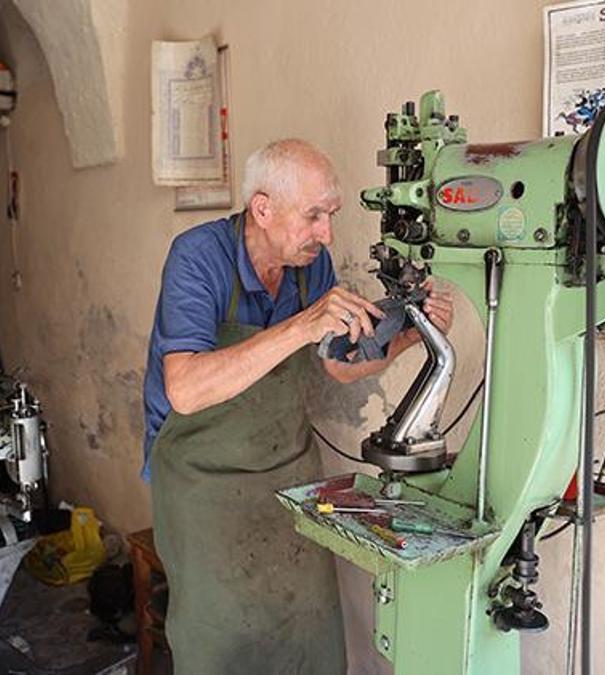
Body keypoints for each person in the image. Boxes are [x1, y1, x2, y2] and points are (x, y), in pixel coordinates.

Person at [142, 139, 454, 674]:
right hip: (202, 484)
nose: (326, 234)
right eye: (313, 216)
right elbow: (186, 389)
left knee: (308, 630)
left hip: (289, 473)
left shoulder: (311, 265)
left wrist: (410, 334)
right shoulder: (198, 258)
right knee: (222, 641)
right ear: (263, 209)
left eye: (330, 216)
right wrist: (302, 326)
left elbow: (338, 363)